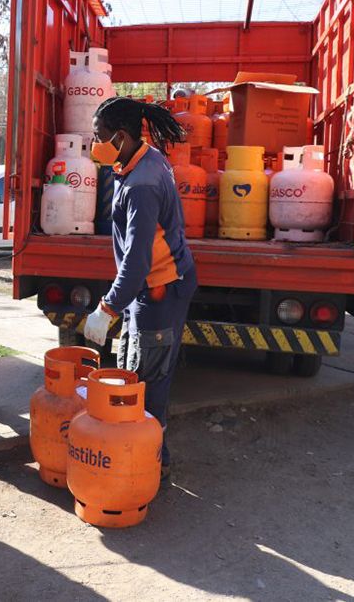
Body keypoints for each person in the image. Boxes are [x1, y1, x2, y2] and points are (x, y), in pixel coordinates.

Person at [82, 97, 198, 481]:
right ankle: (145, 456)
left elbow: (138, 259)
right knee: (135, 370)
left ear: (121, 136)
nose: (93, 142)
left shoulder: (142, 184)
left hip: (159, 289)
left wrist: (107, 308)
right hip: (148, 289)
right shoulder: (140, 161)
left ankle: (152, 464)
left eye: (99, 136)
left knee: (147, 383)